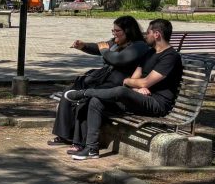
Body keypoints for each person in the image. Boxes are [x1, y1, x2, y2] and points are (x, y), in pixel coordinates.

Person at [63, 19, 184, 160]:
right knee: (96, 101)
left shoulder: (170, 57)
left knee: (120, 91)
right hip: (138, 98)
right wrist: (136, 86)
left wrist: (137, 85)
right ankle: (91, 149)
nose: (146, 35)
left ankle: (84, 93)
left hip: (157, 103)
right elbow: (131, 80)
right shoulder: (149, 53)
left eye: (149, 32)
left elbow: (145, 82)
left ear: (157, 34)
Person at [49, 15, 152, 151]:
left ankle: (81, 142)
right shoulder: (116, 42)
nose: (114, 34)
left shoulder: (138, 46)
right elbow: (99, 47)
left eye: (117, 31)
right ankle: (64, 134)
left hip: (117, 83)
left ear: (128, 31)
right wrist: (84, 46)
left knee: (86, 99)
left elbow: (118, 59)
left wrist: (104, 51)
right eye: (113, 30)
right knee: (70, 91)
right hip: (103, 78)